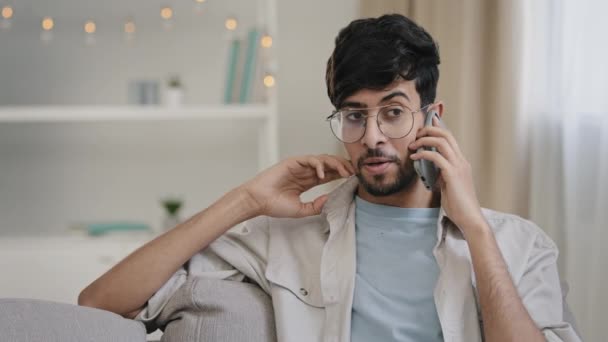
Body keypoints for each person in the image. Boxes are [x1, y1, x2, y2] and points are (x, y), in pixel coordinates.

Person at [79, 14, 580, 341]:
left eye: (394, 112)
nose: (374, 137)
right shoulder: (292, 237)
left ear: (432, 117)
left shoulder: (516, 244)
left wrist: (473, 228)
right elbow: (102, 301)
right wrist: (246, 199)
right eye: (355, 115)